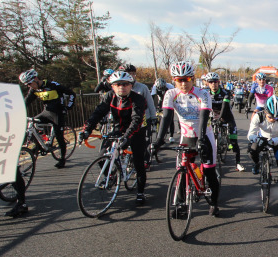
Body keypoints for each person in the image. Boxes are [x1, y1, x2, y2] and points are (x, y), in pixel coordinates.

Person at [152, 61, 221, 216]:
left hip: (204, 134)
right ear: (174, 80)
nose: (183, 83)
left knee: (209, 171)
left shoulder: (203, 93)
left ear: (193, 78)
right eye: (178, 80)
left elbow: (204, 118)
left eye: (187, 79)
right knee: (183, 171)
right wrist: (158, 140)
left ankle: (214, 203)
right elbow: (167, 118)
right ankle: (181, 204)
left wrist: (201, 139)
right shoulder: (170, 94)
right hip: (186, 136)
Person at [79, 71, 148, 205]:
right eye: (117, 84)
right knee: (102, 155)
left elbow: (136, 120)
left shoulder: (138, 98)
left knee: (139, 162)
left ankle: (140, 192)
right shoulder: (109, 96)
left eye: (125, 84)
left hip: (136, 129)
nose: (121, 87)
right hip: (118, 128)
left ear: (131, 85)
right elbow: (97, 113)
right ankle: (111, 175)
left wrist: (127, 137)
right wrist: (86, 130)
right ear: (112, 86)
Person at [20, 68, 75, 168]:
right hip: (46, 112)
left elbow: (71, 93)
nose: (29, 86)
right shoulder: (34, 89)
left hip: (58, 113)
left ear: (36, 78)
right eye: (27, 85)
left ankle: (62, 159)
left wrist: (69, 107)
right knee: (32, 123)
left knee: (59, 137)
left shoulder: (52, 85)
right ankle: (40, 145)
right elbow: (26, 102)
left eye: (30, 83)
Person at [247, 96, 278, 204]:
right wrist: (257, 139)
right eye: (270, 117)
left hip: (276, 140)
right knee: (252, 150)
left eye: (276, 117)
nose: (273, 119)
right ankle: (257, 163)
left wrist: (274, 141)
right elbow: (250, 135)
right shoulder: (258, 116)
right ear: (265, 111)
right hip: (262, 138)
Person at [202, 72, 244, 171]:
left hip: (226, 116)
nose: (213, 84)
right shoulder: (205, 93)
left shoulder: (225, 92)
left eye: (215, 82)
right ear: (207, 83)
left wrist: (220, 118)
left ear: (219, 82)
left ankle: (238, 163)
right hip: (212, 115)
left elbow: (225, 107)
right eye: (211, 82)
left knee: (234, 141)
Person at [151, 77, 176, 142]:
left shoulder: (170, 86)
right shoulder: (154, 87)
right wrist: (154, 107)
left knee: (170, 118)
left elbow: (175, 97)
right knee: (156, 111)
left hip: (169, 99)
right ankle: (156, 125)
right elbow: (152, 98)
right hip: (161, 99)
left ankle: (171, 136)